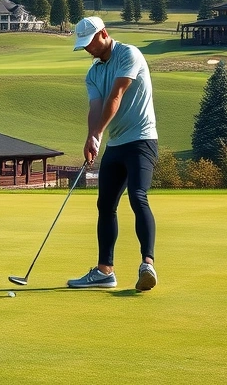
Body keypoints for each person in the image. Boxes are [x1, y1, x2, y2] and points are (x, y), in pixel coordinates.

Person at [66, 16, 159, 292]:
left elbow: (115, 96)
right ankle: (105, 272)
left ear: (104, 33)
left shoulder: (129, 54)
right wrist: (91, 136)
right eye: (83, 45)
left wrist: (98, 133)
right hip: (116, 145)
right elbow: (96, 107)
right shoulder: (93, 74)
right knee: (105, 205)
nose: (87, 49)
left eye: (89, 42)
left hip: (142, 140)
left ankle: (147, 265)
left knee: (137, 196)